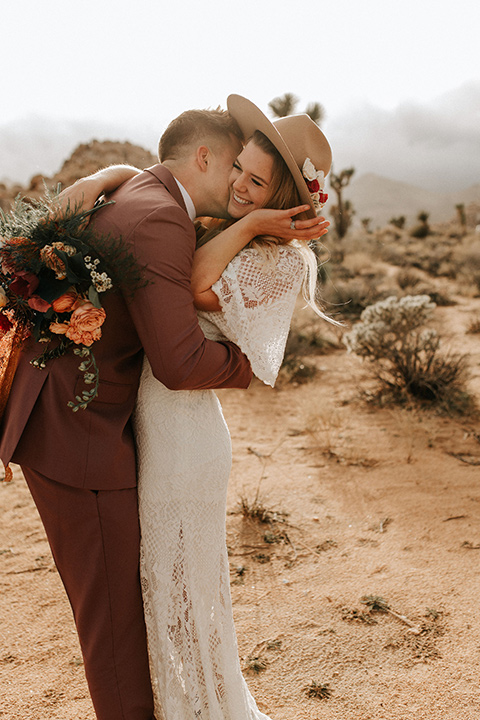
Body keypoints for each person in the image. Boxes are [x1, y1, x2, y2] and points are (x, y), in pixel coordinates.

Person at [0, 105, 287, 720]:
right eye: (234, 163)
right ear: (204, 158)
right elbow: (180, 362)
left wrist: (113, 169)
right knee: (116, 626)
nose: (240, 179)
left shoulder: (141, 186)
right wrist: (251, 364)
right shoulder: (161, 216)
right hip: (78, 434)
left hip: (67, 415)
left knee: (122, 611)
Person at [61, 94, 333, 719]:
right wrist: (116, 175)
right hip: (154, 427)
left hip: (184, 438)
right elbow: (167, 204)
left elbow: (191, 283)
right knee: (165, 592)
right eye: (238, 167)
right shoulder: (229, 229)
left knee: (184, 592)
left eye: (256, 179)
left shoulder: (278, 257)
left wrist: (254, 226)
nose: (238, 184)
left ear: (284, 195)